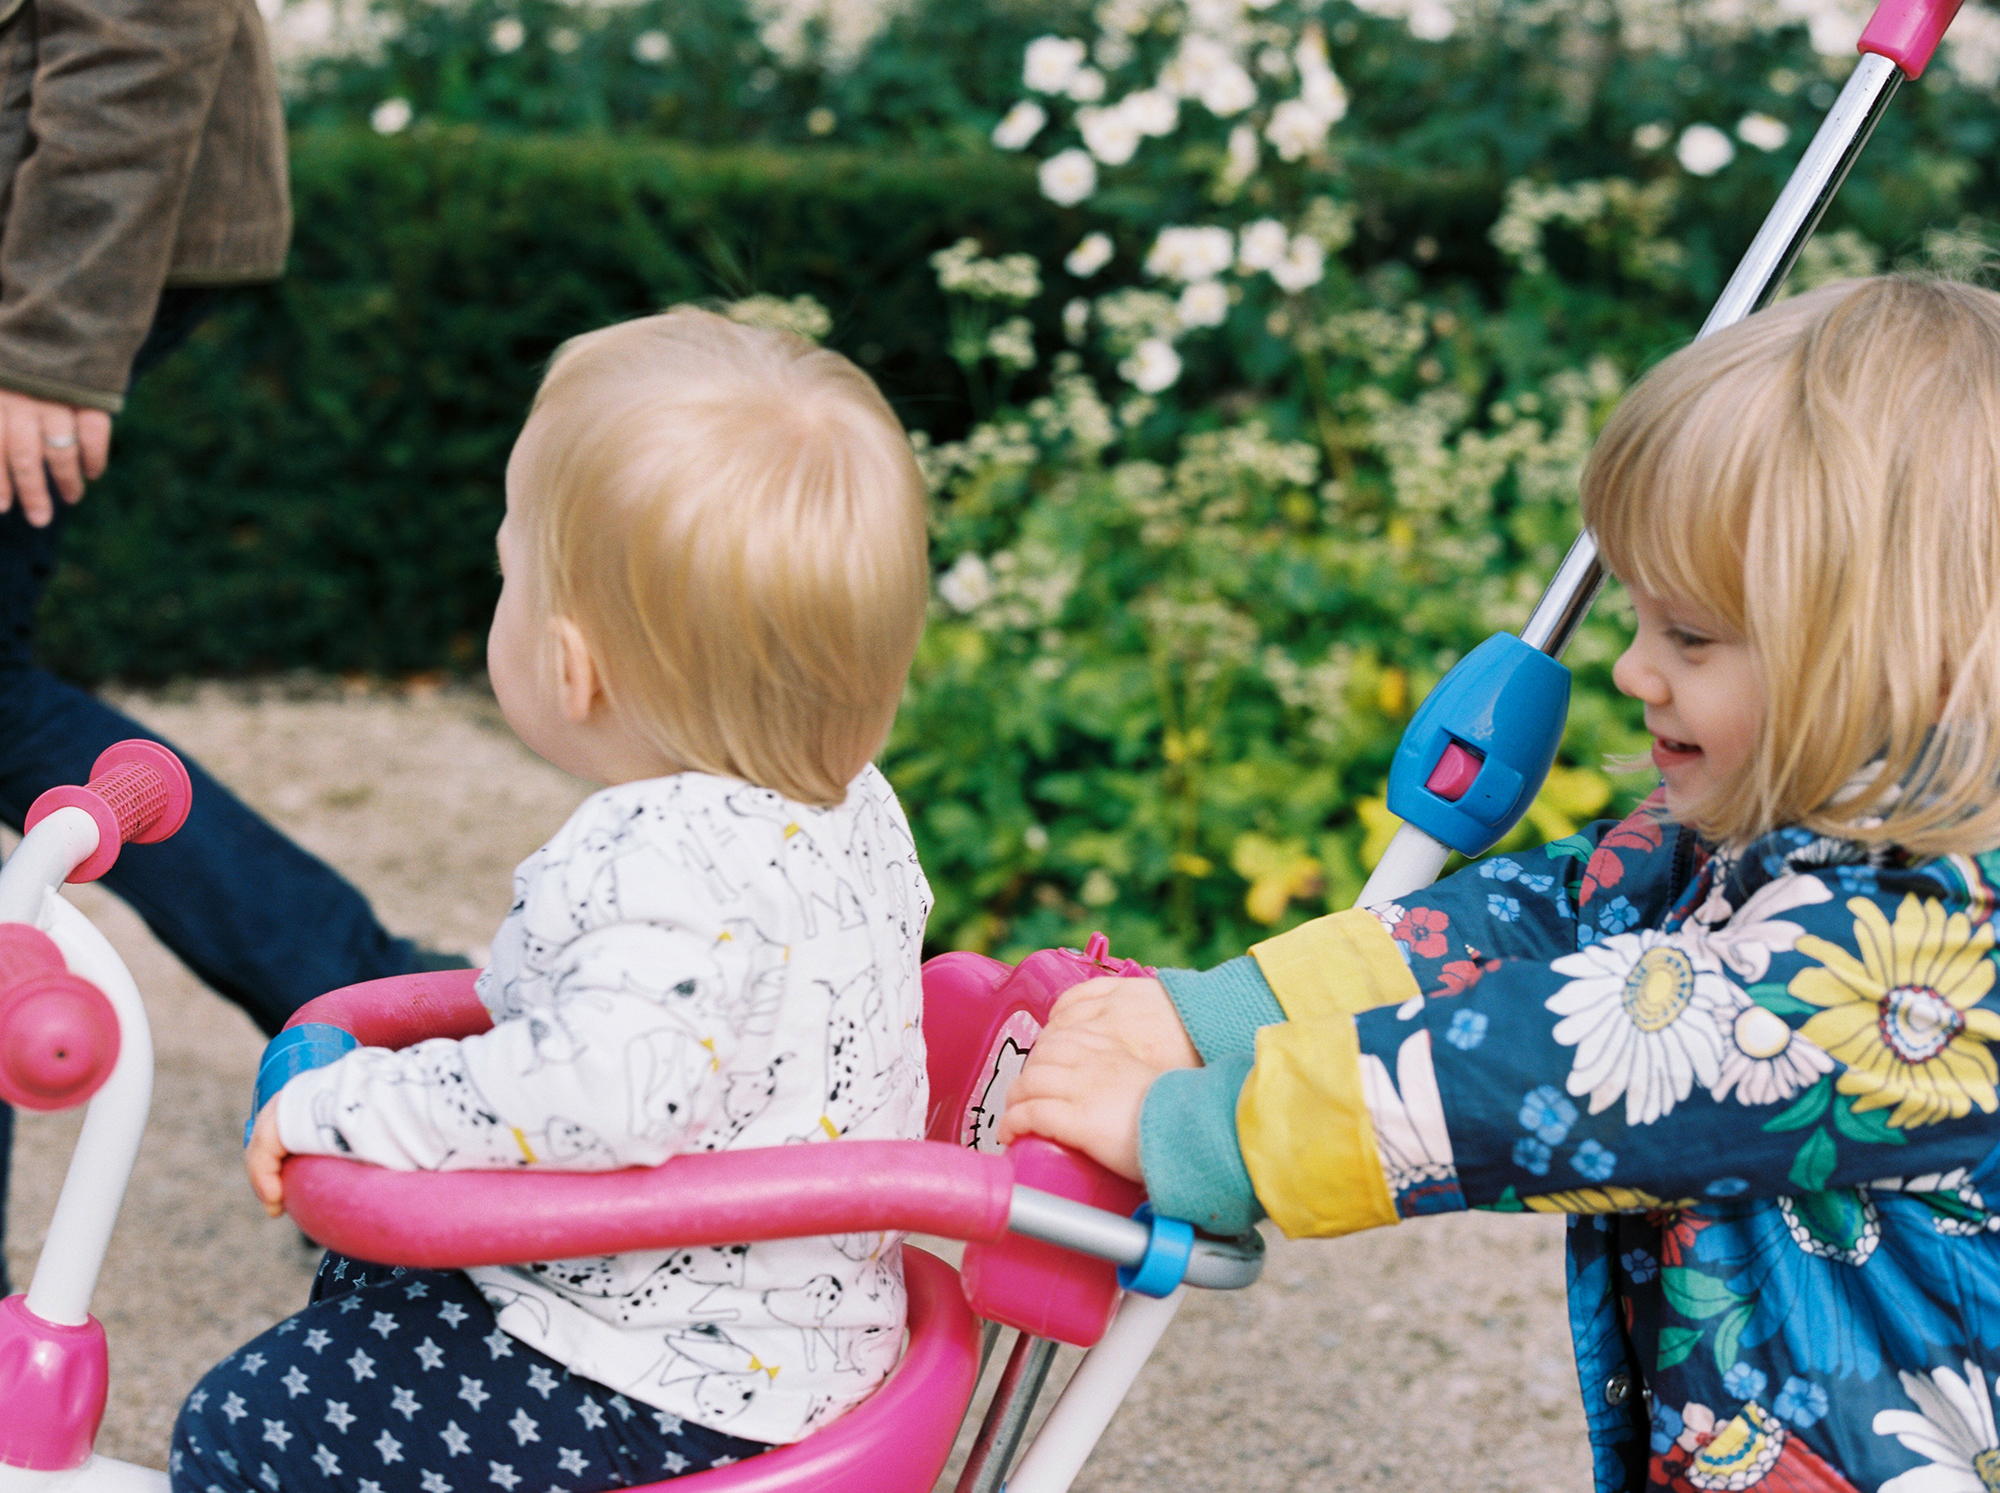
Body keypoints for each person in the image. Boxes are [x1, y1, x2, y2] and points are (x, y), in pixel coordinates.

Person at [1002, 274, 2000, 1493]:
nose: (1632, 669)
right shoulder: (1775, 829)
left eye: (1690, 637)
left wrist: (1216, 1129)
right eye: (1637, 617)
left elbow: (1579, 1063)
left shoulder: (1928, 967)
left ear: (1901, 651)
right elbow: (1536, 918)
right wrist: (1223, 1010)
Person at [170, 307, 935, 1491]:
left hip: (643, 1374)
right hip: (789, 1340)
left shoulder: (652, 854)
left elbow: (606, 1093)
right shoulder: (852, 808)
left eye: (507, 571)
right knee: (375, 1282)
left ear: (570, 667)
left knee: (244, 1427)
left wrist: (350, 1100)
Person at [0, 0, 451, 1293]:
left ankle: (364, 1004)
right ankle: (363, 1003)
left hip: (31, 255)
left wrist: (47, 343)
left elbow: (143, 23)